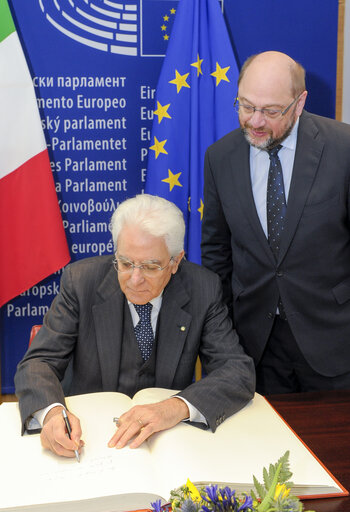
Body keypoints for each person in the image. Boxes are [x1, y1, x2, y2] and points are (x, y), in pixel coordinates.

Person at [15, 194, 255, 459]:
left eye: (151, 267)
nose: (135, 279)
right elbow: (37, 363)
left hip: (167, 439)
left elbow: (238, 371)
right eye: (126, 263)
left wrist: (174, 407)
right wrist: (51, 413)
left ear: (175, 262)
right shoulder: (81, 282)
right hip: (90, 438)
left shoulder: (202, 288)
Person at [201, 50, 350, 395]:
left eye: (270, 111)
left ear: (299, 104)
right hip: (256, 347)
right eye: (246, 105)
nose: (254, 121)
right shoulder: (220, 158)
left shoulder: (343, 149)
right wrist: (222, 340)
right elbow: (217, 251)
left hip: (334, 342)